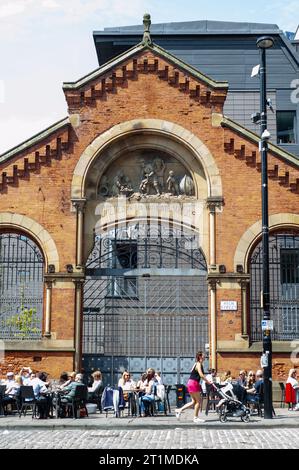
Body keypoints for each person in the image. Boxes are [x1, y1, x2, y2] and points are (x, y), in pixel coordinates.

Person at [175, 351, 211, 423]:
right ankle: (195, 418)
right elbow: (201, 375)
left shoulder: (196, 364)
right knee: (199, 401)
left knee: (193, 401)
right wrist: (208, 381)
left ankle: (179, 410)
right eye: (203, 355)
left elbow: (193, 372)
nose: (205, 356)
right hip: (194, 383)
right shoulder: (198, 364)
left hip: (190, 383)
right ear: (200, 356)